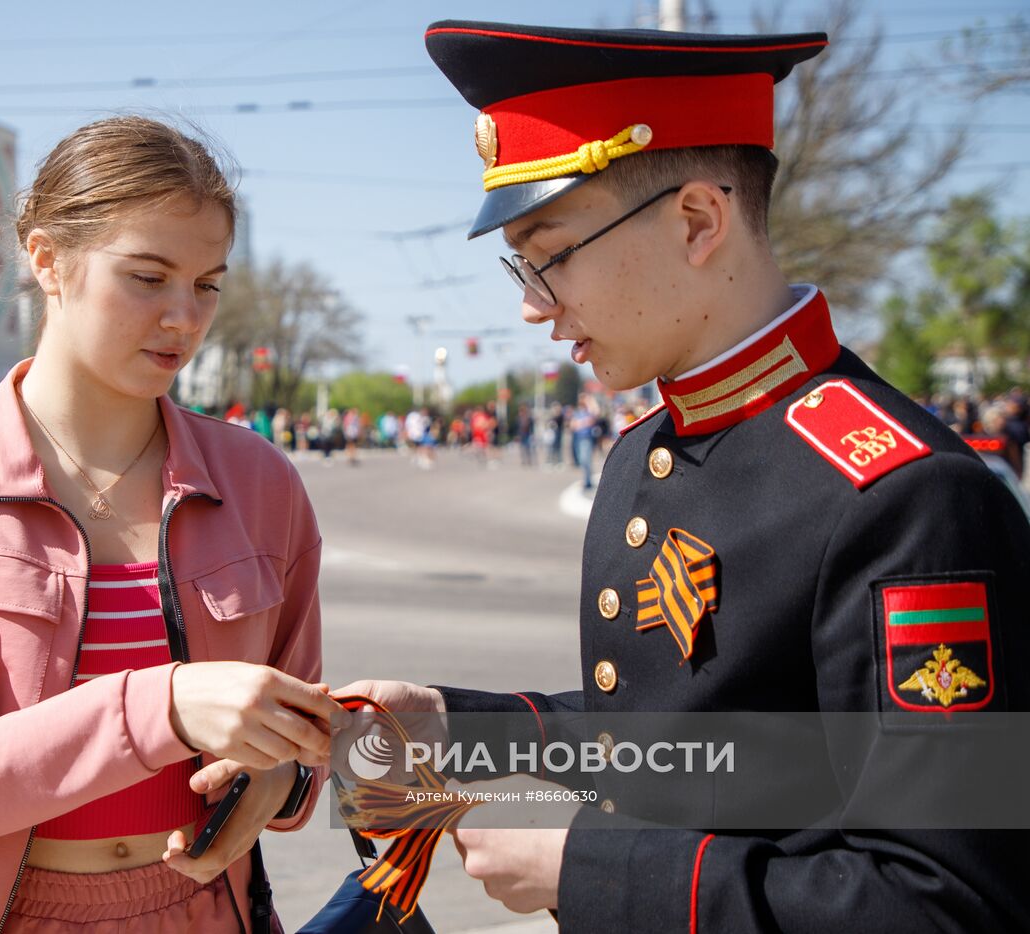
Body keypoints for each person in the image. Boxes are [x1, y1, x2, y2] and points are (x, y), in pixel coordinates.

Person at [341, 20, 1030, 932]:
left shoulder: (906, 498)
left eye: (551, 255)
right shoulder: (643, 452)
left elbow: (948, 904)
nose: (530, 303)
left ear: (698, 221)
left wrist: (588, 868)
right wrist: (452, 727)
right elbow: (701, 746)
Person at [0, 116, 344, 934]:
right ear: (47, 261)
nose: (184, 315)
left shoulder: (261, 482)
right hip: (13, 914)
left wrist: (278, 783)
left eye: (208, 284)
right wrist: (161, 707)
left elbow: (303, 737)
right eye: (148, 277)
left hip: (209, 912)